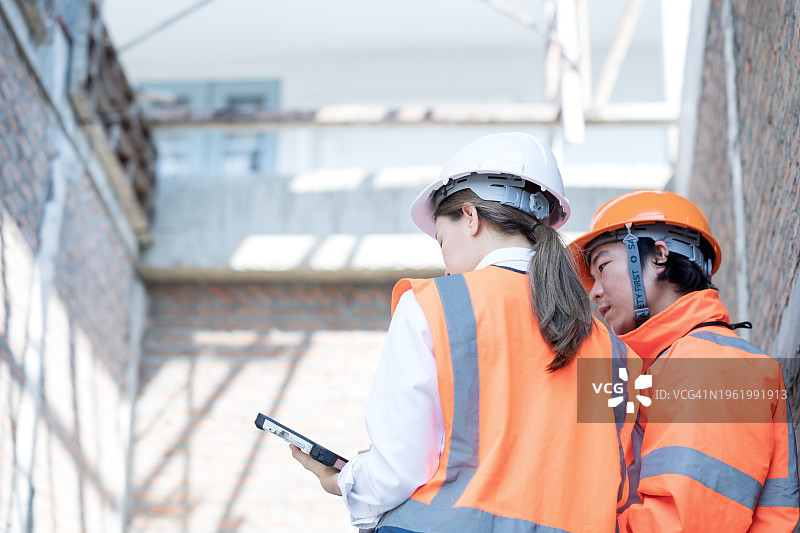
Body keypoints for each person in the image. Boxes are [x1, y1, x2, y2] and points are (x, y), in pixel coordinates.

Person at [291, 132, 638, 533]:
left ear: (470, 218)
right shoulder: (613, 349)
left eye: (442, 242)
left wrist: (344, 482)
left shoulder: (436, 304)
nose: (445, 265)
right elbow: (599, 475)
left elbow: (398, 469)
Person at [569, 189, 800, 532]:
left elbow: (684, 524)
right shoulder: (669, 365)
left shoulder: (712, 363)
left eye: (602, 267)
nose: (595, 291)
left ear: (659, 256)